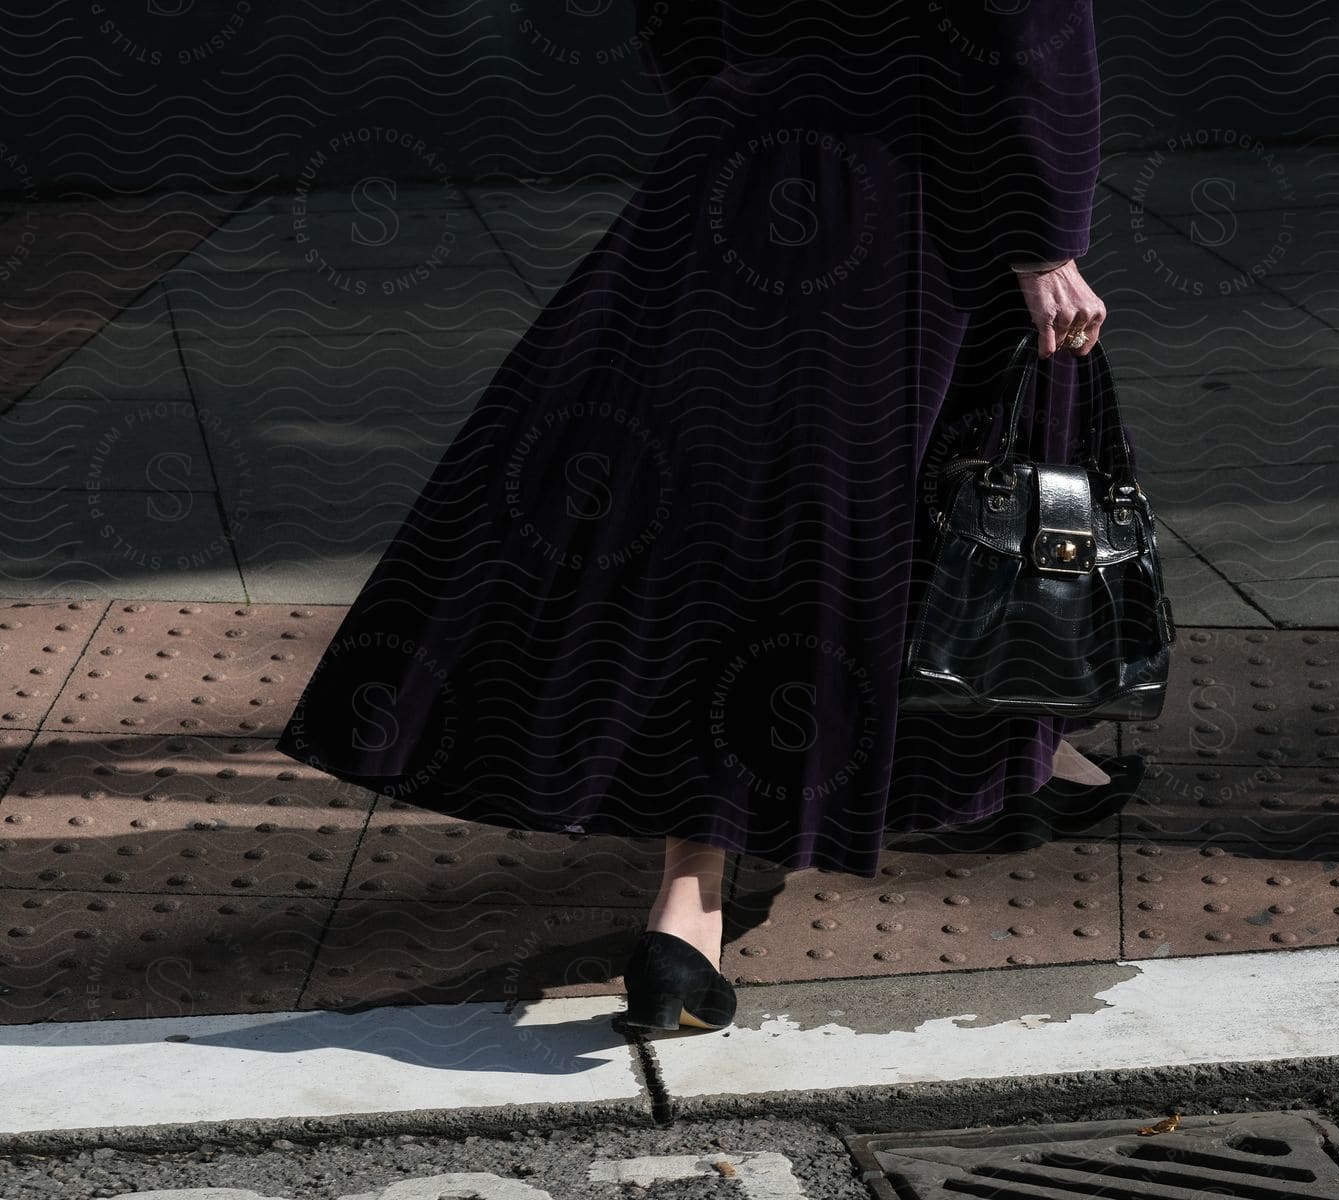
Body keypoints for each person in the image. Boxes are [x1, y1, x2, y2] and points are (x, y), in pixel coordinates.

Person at [273, 0, 1142, 1034]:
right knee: (935, 513)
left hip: (733, 174)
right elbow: (1032, 45)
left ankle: (708, 900)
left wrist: (756, 104)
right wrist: (1045, 240)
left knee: (714, 516)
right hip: (922, 198)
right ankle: (959, 780)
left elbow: (674, 24)